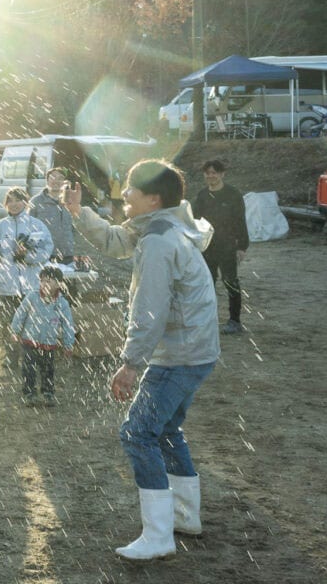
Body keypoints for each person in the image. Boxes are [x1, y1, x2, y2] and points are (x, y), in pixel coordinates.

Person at [65, 159, 219, 561]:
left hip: (180, 354)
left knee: (137, 434)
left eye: (131, 187)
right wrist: (79, 212)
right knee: (165, 430)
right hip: (196, 349)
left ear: (154, 198)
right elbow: (116, 241)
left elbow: (149, 309)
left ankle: (158, 536)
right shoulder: (162, 226)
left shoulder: (158, 241)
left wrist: (131, 363)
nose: (125, 194)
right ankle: (184, 517)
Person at [0, 187, 53, 373]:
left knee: (31, 321)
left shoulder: (37, 225)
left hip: (31, 283)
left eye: (18, 200)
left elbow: (47, 251)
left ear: (26, 202)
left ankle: (31, 357)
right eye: (10, 201)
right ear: (5, 204)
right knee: (8, 322)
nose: (14, 204)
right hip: (7, 283)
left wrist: (28, 256)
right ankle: (11, 356)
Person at [192, 159, 250, 335]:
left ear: (222, 174)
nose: (211, 176)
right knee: (206, 283)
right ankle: (207, 320)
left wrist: (242, 246)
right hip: (207, 247)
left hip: (227, 246)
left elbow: (240, 221)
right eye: (208, 173)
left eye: (214, 172)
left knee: (230, 281)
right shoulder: (202, 196)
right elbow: (195, 222)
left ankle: (235, 321)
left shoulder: (233, 194)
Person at [10, 265, 75, 407]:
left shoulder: (62, 303)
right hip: (30, 341)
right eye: (42, 281)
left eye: (49, 281)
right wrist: (15, 331)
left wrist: (68, 344)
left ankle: (48, 393)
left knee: (48, 370)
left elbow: (68, 324)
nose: (45, 284)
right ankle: (29, 394)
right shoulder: (32, 297)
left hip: (49, 343)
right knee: (29, 370)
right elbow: (20, 314)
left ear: (58, 284)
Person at [29, 167, 75, 263]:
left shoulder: (70, 202)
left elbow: (74, 227)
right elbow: (28, 227)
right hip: (44, 254)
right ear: (47, 181)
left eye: (60, 178)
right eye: (53, 177)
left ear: (64, 182)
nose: (56, 181)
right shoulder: (36, 201)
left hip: (67, 253)